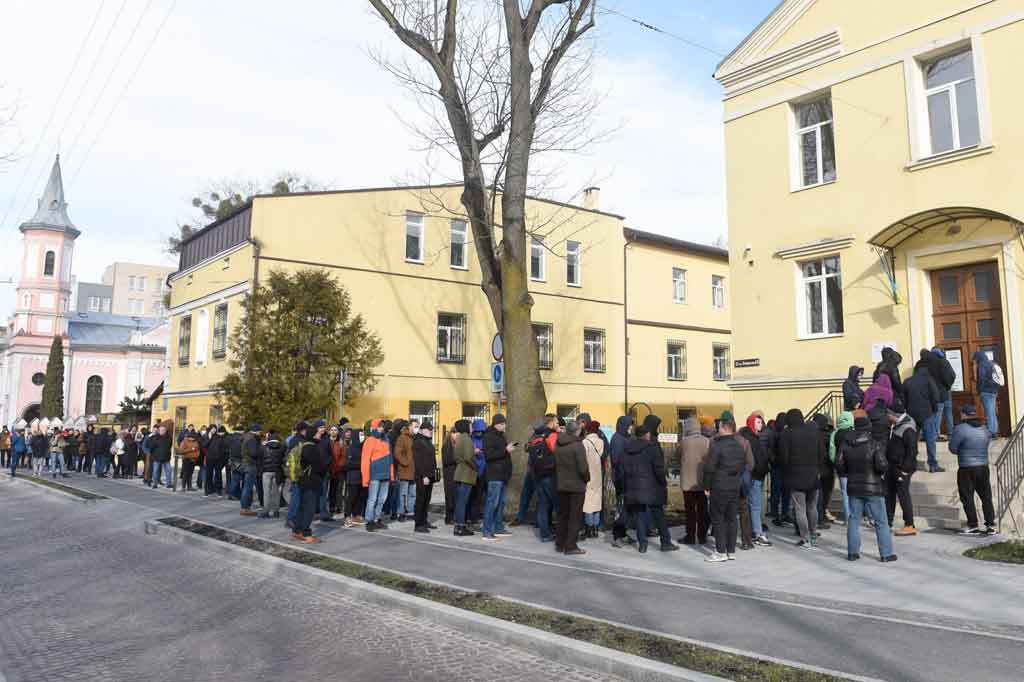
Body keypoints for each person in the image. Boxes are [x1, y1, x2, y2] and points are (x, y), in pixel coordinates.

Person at [835, 413, 896, 562]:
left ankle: (852, 553)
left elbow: (839, 463)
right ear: (868, 428)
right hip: (873, 488)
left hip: (854, 488)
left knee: (854, 519)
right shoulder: (874, 443)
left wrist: (848, 473)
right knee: (881, 521)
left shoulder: (845, 443)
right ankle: (886, 554)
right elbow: (882, 465)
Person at [621, 417, 677, 554]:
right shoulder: (652, 448)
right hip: (652, 487)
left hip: (634, 487)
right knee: (658, 514)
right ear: (647, 435)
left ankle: (642, 545)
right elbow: (658, 469)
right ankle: (665, 543)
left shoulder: (627, 449)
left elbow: (623, 469)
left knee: (639, 515)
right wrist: (663, 482)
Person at [778, 409, 824, 548]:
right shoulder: (814, 432)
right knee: (812, 506)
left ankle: (805, 538)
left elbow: (783, 457)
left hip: (795, 475)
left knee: (800, 508)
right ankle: (814, 533)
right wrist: (817, 468)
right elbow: (822, 453)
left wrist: (786, 471)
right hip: (813, 474)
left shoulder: (787, 433)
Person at [949, 404, 996, 536]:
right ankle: (991, 525)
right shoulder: (984, 429)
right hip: (983, 467)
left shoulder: (960, 429)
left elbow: (953, 448)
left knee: (967, 497)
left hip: (966, 468)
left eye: (961, 413)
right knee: (986, 497)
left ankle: (973, 525)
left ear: (964, 414)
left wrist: (963, 450)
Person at [554, 420, 589, 555]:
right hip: (576, 486)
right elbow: (583, 468)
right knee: (575, 517)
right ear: (577, 431)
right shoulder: (577, 445)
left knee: (562, 515)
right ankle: (570, 546)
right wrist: (587, 479)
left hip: (562, 484)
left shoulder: (559, 443)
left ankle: (560, 543)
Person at [738, 412, 772, 547]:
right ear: (752, 423)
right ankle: (757, 533)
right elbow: (753, 460)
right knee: (755, 505)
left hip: (757, 475)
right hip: (754, 476)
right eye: (758, 422)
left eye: (761, 422)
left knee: (754, 504)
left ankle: (755, 530)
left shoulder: (754, 436)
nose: (761, 424)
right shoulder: (750, 438)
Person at [885, 402, 919, 536]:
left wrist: (904, 470)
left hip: (902, 467)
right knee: (889, 494)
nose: (886, 417)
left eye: (888, 414)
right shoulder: (897, 425)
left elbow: (912, 452)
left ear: (894, 415)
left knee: (903, 495)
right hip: (892, 466)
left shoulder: (908, 428)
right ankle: (887, 522)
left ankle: (909, 524)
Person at [905, 352, 942, 473]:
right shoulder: (928, 380)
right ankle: (932, 464)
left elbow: (903, 398)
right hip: (927, 413)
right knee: (930, 439)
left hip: (912, 414)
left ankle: (911, 463)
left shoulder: (908, 381)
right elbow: (936, 396)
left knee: (912, 440)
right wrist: (933, 408)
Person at [292, 422, 328, 544]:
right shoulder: (311, 448)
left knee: (302, 507)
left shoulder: (304, 445)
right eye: (318, 433)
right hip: (311, 482)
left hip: (303, 480)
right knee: (309, 508)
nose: (320, 435)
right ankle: (306, 533)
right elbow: (319, 466)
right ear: (313, 434)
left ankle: (297, 530)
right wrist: (324, 469)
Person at [482, 414, 514, 540]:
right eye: (503, 424)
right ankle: (487, 531)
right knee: (492, 503)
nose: (505, 426)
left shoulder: (501, 436)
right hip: (495, 475)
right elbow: (489, 455)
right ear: (497, 424)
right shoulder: (489, 436)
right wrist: (506, 450)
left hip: (503, 475)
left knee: (501, 503)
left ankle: (498, 527)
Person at [677, 416, 709, 545]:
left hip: (688, 483)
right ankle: (702, 536)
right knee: (702, 510)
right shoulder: (707, 441)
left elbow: (677, 455)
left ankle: (690, 536)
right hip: (702, 482)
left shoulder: (684, 442)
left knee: (690, 511)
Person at [526, 417, 558, 543]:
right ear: (549, 423)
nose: (557, 424)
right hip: (550, 474)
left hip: (537, 474)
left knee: (543, 505)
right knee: (557, 504)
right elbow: (556, 451)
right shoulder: (551, 435)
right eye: (555, 422)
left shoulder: (534, 437)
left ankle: (544, 534)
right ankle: (561, 533)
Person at [362, 419, 394, 531]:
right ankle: (369, 521)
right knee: (372, 499)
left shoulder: (386, 440)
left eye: (382, 426)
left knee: (382, 500)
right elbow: (365, 460)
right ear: (374, 427)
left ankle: (376, 519)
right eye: (379, 426)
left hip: (385, 475)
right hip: (374, 475)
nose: (381, 428)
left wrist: (391, 475)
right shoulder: (370, 440)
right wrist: (365, 478)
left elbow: (390, 459)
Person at [451, 419, 477, 537]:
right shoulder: (466, 438)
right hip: (465, 474)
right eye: (470, 426)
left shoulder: (459, 438)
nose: (472, 428)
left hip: (459, 472)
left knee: (460, 502)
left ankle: (458, 526)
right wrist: (475, 466)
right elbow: (468, 457)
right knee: (462, 502)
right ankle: (461, 527)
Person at [412, 420, 439, 533]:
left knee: (427, 499)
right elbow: (418, 461)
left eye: (432, 430)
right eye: (429, 429)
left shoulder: (427, 441)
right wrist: (424, 476)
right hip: (423, 476)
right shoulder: (418, 442)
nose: (431, 431)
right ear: (422, 430)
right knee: (421, 499)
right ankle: (418, 524)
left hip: (430, 474)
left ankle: (424, 520)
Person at [926, 347, 957, 443]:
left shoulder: (928, 363)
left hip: (935, 392)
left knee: (937, 414)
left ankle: (936, 434)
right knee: (948, 413)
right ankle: (951, 433)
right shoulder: (943, 361)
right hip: (945, 391)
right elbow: (952, 375)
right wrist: (947, 386)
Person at [810, 413, 836, 528]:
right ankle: (820, 517)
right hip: (827, 469)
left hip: (816, 469)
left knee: (817, 496)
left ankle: (819, 517)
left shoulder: (812, 435)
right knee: (823, 495)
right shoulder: (830, 435)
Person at [581, 420, 605, 540]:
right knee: (596, 502)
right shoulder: (601, 442)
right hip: (598, 475)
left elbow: (583, 460)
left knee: (588, 504)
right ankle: (596, 528)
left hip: (588, 475)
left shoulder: (585, 442)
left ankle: (589, 529)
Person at [830, 411, 855, 525]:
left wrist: (834, 462)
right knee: (855, 493)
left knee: (845, 493)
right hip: (854, 467)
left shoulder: (835, 434)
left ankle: (848, 518)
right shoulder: (854, 433)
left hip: (841, 468)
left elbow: (832, 452)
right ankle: (856, 517)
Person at [972, 350, 1001, 437]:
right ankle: (995, 431)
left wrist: (979, 389)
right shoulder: (992, 364)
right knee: (992, 412)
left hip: (986, 392)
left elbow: (981, 378)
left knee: (989, 412)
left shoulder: (982, 365)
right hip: (994, 391)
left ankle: (991, 432)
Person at [259, 429, 286, 519]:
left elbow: (260, 459)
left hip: (266, 472)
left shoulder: (263, 447)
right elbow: (283, 459)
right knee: (276, 493)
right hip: (277, 472)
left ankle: (266, 511)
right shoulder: (282, 447)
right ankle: (276, 511)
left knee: (266, 492)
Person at [343, 427, 366, 527]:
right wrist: (362, 464)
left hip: (363, 476)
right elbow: (348, 464)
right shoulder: (350, 449)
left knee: (360, 497)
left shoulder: (363, 447)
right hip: (353, 476)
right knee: (351, 497)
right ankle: (347, 516)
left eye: (363, 435)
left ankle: (356, 515)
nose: (362, 437)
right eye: (360, 435)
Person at [394, 421, 416, 522]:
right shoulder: (402, 438)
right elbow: (397, 453)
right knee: (403, 493)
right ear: (409, 427)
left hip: (414, 470)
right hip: (404, 470)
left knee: (412, 493)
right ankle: (401, 512)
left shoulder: (415, 438)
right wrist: (406, 462)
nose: (416, 428)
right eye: (415, 426)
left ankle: (411, 512)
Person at [239, 424, 262, 516]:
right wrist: (260, 449)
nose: (260, 433)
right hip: (250, 464)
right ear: (256, 431)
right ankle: (245, 508)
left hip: (245, 463)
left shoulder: (245, 437)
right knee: (248, 487)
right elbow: (254, 453)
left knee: (246, 486)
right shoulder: (252, 439)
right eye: (260, 431)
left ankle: (245, 506)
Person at [441, 426, 458, 525]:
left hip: (455, 473)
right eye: (455, 433)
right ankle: (449, 517)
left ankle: (453, 516)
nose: (457, 435)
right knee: (450, 496)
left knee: (454, 496)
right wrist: (457, 457)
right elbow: (446, 460)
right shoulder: (447, 445)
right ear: (451, 434)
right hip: (449, 474)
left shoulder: (455, 444)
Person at [204, 426, 227, 496]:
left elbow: (222, 448)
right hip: (209, 458)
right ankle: (208, 490)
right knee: (208, 475)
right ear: (210, 429)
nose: (213, 430)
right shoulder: (206, 436)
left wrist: (220, 456)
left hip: (218, 459)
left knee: (218, 475)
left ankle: (218, 490)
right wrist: (209, 438)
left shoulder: (219, 437)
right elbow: (204, 445)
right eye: (212, 429)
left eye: (215, 429)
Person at [150, 422, 173, 488]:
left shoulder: (169, 438)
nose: (162, 431)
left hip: (166, 457)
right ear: (159, 431)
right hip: (157, 457)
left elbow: (169, 446)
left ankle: (168, 484)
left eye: (164, 430)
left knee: (169, 471)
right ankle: (155, 484)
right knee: (155, 471)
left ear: (165, 431)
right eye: (161, 430)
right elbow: (151, 446)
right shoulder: (155, 438)